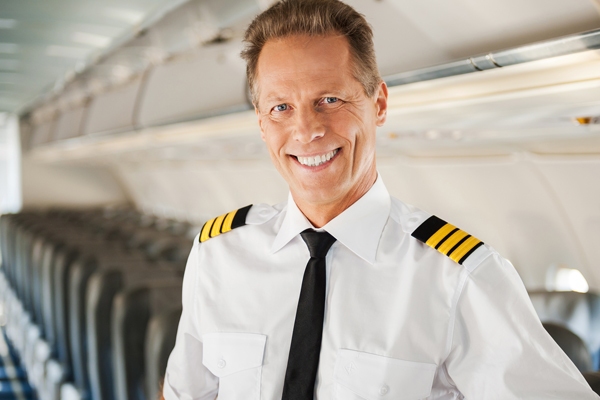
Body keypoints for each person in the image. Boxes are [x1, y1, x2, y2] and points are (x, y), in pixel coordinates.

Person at [162, 0, 599, 398]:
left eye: (329, 99)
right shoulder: (218, 254)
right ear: (261, 123)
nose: (306, 130)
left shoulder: (457, 279)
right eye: (281, 108)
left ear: (379, 103)